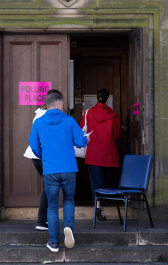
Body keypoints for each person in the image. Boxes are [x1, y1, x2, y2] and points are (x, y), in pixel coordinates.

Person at [29, 91, 89, 253]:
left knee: (53, 206)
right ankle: (68, 227)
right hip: (69, 169)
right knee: (69, 200)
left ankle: (54, 242)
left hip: (50, 170)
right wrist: (86, 139)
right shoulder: (69, 121)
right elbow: (80, 141)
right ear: (59, 105)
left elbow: (33, 146)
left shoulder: (39, 123)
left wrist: (45, 156)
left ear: (47, 105)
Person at [23, 89, 63, 231]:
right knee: (48, 187)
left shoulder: (39, 115)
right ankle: (41, 221)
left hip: (37, 156)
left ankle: (43, 220)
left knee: (48, 186)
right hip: (43, 156)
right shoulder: (48, 117)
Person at [80, 88, 121, 221]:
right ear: (108, 100)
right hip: (109, 153)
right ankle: (105, 202)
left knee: (96, 181)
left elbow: (82, 129)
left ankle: (98, 206)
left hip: (94, 154)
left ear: (97, 99)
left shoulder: (88, 113)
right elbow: (117, 135)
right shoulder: (113, 115)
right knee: (107, 181)